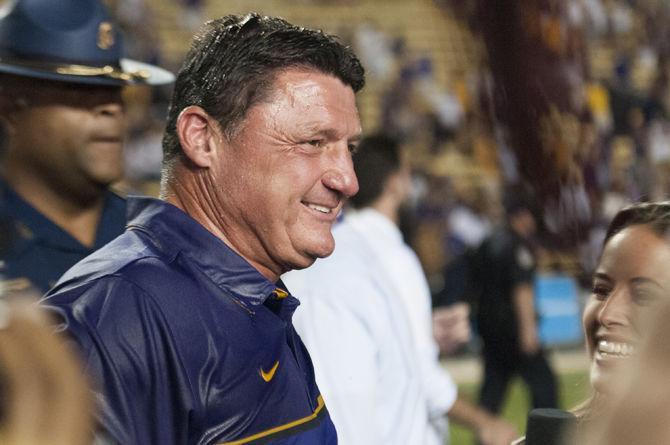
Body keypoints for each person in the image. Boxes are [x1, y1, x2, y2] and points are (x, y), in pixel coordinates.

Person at [43, 13, 364, 445]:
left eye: (350, 149)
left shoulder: (250, 294)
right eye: (312, 142)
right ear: (201, 138)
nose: (347, 179)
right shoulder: (115, 315)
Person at [283, 134, 518, 445]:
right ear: (395, 182)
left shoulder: (335, 248)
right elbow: (423, 374)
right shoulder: (390, 256)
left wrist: (426, 332)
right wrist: (486, 423)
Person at [0, 0, 174, 294]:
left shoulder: (163, 234)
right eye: (80, 90)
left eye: (115, 89)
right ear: (10, 108)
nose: (112, 108)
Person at [472, 192, 558, 414]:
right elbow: (521, 290)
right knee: (545, 388)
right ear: (521, 217)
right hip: (514, 331)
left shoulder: (486, 242)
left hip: (490, 330)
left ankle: (485, 434)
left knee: (492, 392)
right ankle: (545, 438)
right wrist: (528, 330)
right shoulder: (518, 247)